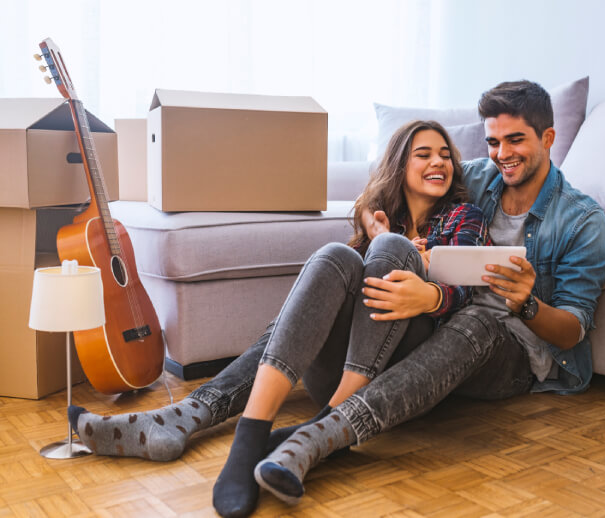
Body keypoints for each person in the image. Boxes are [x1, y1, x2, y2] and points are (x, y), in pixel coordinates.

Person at [67, 120, 490, 517]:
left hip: (398, 373)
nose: (438, 162)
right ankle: (197, 419)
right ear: (400, 163)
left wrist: (427, 287)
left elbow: (468, 290)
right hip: (343, 366)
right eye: (423, 154)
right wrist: (377, 239)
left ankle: (314, 425)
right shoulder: (379, 216)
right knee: (335, 256)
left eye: (445, 155)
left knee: (395, 250)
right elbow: (347, 302)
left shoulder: (464, 217)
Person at [251, 80, 605, 507]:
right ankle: (227, 411)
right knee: (344, 276)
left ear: (548, 138)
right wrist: (380, 229)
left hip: (512, 350)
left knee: (477, 321)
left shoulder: (582, 220)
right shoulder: (478, 177)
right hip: (440, 319)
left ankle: (317, 439)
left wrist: (527, 303)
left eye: (516, 140)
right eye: (493, 142)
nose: (502, 155)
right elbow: (384, 184)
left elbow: (572, 333)